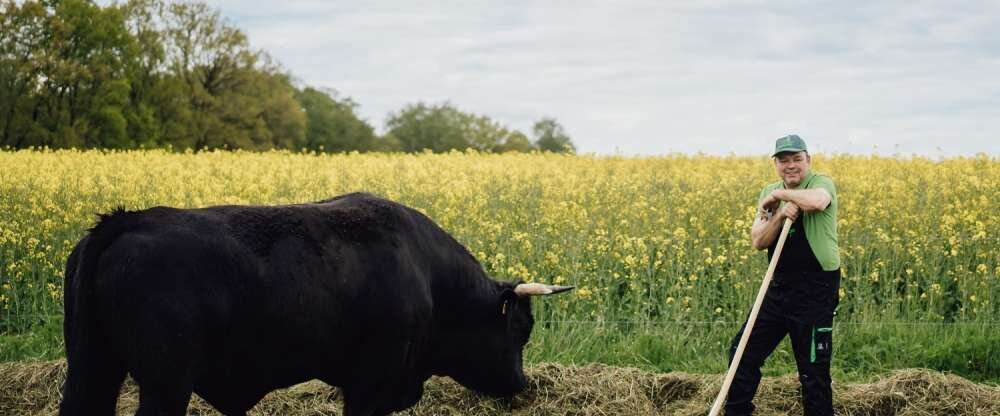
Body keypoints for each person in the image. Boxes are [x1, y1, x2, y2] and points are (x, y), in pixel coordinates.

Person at [725, 134, 841, 415]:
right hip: (777, 288)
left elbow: (817, 202)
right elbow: (758, 241)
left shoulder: (820, 183)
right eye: (784, 160)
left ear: (808, 161)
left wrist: (780, 196)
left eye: (797, 159)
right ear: (775, 164)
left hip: (816, 289)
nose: (791, 165)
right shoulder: (768, 190)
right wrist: (778, 214)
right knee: (742, 352)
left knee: (813, 371)